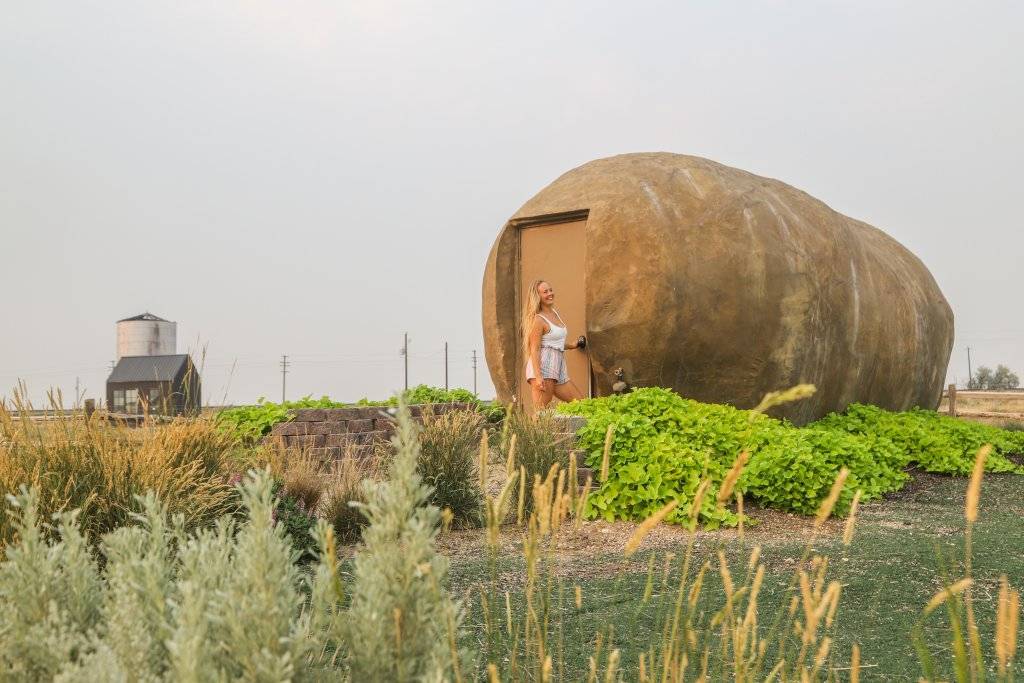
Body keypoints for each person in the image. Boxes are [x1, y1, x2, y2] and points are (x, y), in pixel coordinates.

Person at [522, 279, 586, 410]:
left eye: (550, 290)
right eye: (545, 292)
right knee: (541, 414)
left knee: (582, 404)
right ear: (537, 296)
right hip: (544, 368)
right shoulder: (538, 320)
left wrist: (572, 345)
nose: (550, 293)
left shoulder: (554, 313)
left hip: (559, 368)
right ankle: (529, 432)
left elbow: (554, 342)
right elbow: (535, 348)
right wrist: (538, 376)